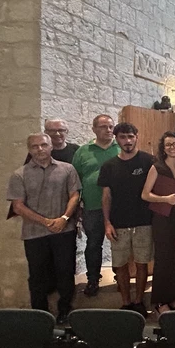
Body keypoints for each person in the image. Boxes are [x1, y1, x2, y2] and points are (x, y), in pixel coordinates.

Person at [7, 133, 81, 324]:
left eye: (43, 145)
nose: (39, 149)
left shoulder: (67, 169)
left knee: (65, 272)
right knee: (37, 275)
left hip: (64, 231)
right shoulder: (19, 174)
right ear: (29, 149)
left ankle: (65, 310)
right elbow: (18, 206)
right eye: (34, 146)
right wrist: (46, 221)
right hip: (34, 234)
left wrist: (64, 218)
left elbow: (74, 195)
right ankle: (40, 315)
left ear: (51, 147)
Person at [97, 123, 154, 317]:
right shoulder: (109, 166)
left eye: (130, 136)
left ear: (137, 136)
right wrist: (107, 223)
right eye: (123, 137)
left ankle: (138, 301)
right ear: (117, 139)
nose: (127, 141)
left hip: (143, 222)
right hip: (118, 223)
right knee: (120, 265)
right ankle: (126, 302)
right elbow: (106, 197)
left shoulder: (148, 161)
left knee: (141, 263)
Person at [142, 132, 175, 314]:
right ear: (163, 148)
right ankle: (160, 301)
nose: (172, 147)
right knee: (163, 259)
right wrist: (164, 199)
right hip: (162, 217)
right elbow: (145, 194)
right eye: (168, 145)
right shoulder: (158, 167)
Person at [72, 114, 120, 297]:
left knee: (120, 245)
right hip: (92, 206)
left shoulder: (120, 148)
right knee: (93, 244)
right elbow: (74, 180)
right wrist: (77, 206)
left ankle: (120, 276)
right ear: (94, 129)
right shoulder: (83, 152)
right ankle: (93, 280)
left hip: (118, 207)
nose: (108, 130)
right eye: (103, 127)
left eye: (110, 127)